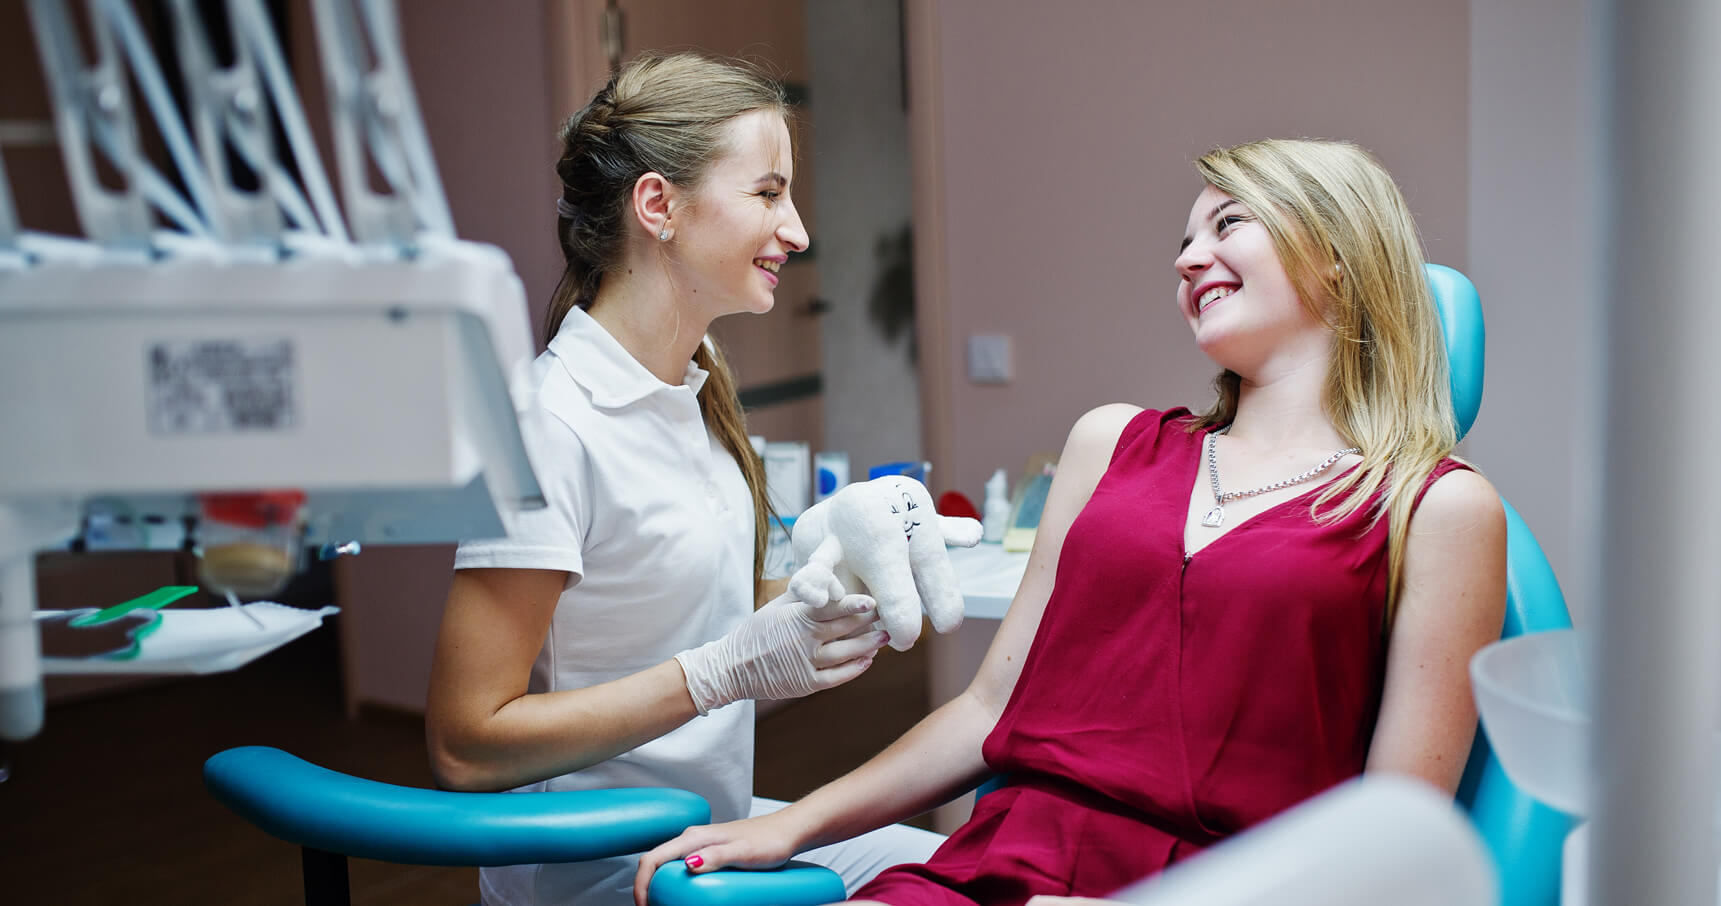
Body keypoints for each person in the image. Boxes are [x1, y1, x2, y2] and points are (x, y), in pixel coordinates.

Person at [632, 138, 1508, 906]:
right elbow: (988, 707)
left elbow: (1397, 836)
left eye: (1227, 224)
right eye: (1182, 241)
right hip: (1001, 864)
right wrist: (793, 827)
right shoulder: (1109, 444)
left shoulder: (1435, 505)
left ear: (1336, 255)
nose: (1187, 259)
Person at [424, 51, 943, 906]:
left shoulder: (695, 388)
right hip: (600, 872)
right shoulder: (549, 424)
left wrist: (843, 567)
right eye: (768, 193)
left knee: (961, 866)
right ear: (658, 205)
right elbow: (465, 744)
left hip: (706, 833)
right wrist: (720, 674)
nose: (798, 231)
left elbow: (697, 614)